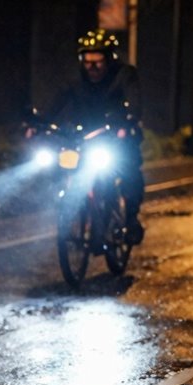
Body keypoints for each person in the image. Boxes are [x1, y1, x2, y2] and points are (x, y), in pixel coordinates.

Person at [43, 28, 145, 244]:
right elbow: (56, 103)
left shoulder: (125, 75)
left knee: (128, 169)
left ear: (109, 59)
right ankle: (70, 208)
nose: (93, 68)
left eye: (98, 62)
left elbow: (134, 104)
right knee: (63, 164)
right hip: (84, 136)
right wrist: (40, 122)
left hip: (115, 135)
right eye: (88, 62)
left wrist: (126, 121)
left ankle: (131, 217)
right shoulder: (75, 79)